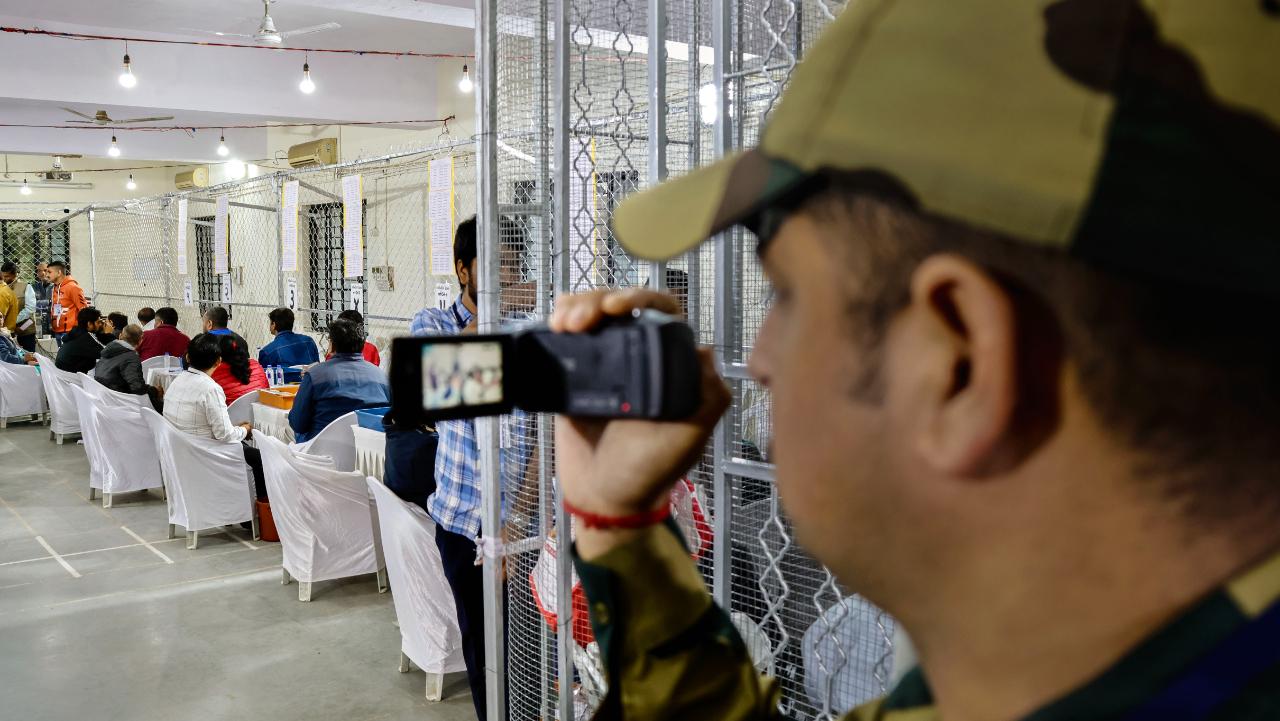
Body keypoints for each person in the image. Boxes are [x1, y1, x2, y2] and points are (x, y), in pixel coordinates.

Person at [550, 4, 1280, 721]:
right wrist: (622, 526)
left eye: (788, 293)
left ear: (957, 361)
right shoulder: (1058, 670)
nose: (761, 358)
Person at [407, 216, 535, 721]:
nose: (507, 275)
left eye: (513, 264)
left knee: (535, 643)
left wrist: (516, 524)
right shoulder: (432, 324)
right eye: (495, 264)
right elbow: (442, 390)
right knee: (484, 648)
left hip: (524, 524)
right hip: (463, 522)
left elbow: (541, 439)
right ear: (462, 269)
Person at [163, 333, 266, 500]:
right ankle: (259, 516)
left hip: (180, 451)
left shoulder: (177, 381)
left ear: (188, 357)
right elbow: (224, 435)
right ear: (218, 361)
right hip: (207, 452)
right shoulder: (210, 388)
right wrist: (244, 429)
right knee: (260, 458)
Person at [287, 317, 390, 443]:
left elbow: (298, 423)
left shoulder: (315, 375)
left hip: (319, 452)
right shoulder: (382, 377)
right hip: (365, 454)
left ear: (332, 345)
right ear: (362, 344)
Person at [94, 324, 163, 412]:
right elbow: (138, 388)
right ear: (141, 341)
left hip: (104, 399)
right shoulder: (131, 357)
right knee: (162, 406)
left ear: (120, 336)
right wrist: (154, 391)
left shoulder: (108, 349)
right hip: (121, 401)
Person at [258, 307, 319, 383]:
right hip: (311, 387)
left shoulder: (266, 352)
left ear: (274, 324)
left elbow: (265, 380)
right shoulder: (309, 341)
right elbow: (317, 367)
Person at [210, 334, 268, 405]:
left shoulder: (214, 373)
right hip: (261, 412)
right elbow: (267, 389)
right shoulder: (256, 365)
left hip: (232, 415)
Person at [54, 308, 114, 374]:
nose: (100, 325)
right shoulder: (86, 337)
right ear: (89, 324)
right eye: (98, 322)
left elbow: (98, 339)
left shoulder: (76, 333)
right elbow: (108, 352)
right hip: (73, 379)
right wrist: (109, 333)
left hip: (62, 377)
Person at [47, 260, 88, 345]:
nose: (47, 275)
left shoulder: (73, 287)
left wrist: (77, 330)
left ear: (59, 272)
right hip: (58, 331)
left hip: (70, 332)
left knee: (70, 357)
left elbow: (84, 310)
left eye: (49, 272)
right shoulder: (54, 288)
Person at [1, 262, 38, 352]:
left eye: (7, 276)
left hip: (25, 328)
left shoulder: (26, 286)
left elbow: (30, 309)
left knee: (28, 355)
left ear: (15, 274)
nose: (5, 279)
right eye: (3, 276)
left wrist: (14, 320)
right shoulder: (2, 288)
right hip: (7, 331)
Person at [33, 261, 53, 337]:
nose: (43, 273)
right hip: (38, 322)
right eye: (39, 271)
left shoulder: (57, 286)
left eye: (45, 270)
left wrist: (39, 303)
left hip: (54, 323)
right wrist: (49, 302)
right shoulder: (33, 287)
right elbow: (31, 305)